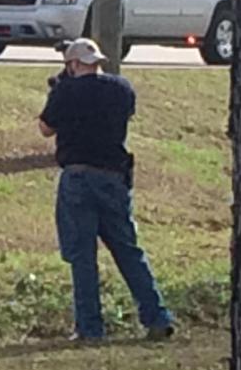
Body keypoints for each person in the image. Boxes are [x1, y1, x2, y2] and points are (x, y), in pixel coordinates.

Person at [38, 39, 175, 342]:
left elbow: (46, 128)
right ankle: (157, 316)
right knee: (128, 249)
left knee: (82, 256)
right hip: (114, 177)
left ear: (73, 64)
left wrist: (58, 89)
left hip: (77, 177)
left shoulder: (66, 91)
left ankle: (90, 328)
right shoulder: (122, 89)